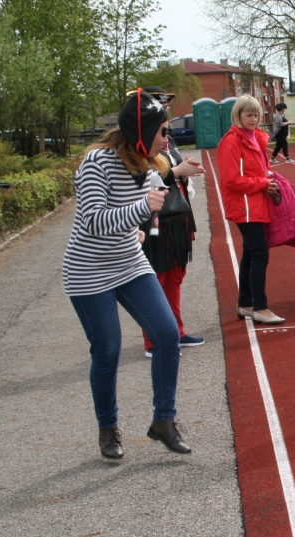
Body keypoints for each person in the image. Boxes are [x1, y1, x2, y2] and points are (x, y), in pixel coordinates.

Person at [63, 89, 191, 459]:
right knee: (107, 351)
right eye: (163, 131)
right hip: (88, 271)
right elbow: (93, 220)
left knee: (168, 335)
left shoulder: (147, 163)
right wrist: (139, 210)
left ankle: (163, 421)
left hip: (128, 262)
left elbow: (137, 213)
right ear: (142, 130)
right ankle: (108, 429)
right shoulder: (97, 164)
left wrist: (141, 221)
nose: (168, 139)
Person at [138, 88, 207, 357]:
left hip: (178, 215)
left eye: (166, 105)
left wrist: (185, 169)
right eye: (160, 104)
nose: (166, 109)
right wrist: (176, 171)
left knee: (176, 275)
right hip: (155, 218)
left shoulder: (168, 139)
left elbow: (171, 168)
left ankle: (175, 331)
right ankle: (153, 339)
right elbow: (142, 176)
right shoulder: (140, 141)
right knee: (156, 276)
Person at [218, 95, 284, 324]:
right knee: (259, 254)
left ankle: (245, 303)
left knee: (250, 253)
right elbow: (231, 180)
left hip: (256, 203)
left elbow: (259, 170)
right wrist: (264, 183)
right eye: (248, 114)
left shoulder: (256, 138)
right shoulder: (231, 141)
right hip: (244, 206)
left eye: (256, 114)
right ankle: (259, 306)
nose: (253, 119)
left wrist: (270, 179)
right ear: (238, 115)